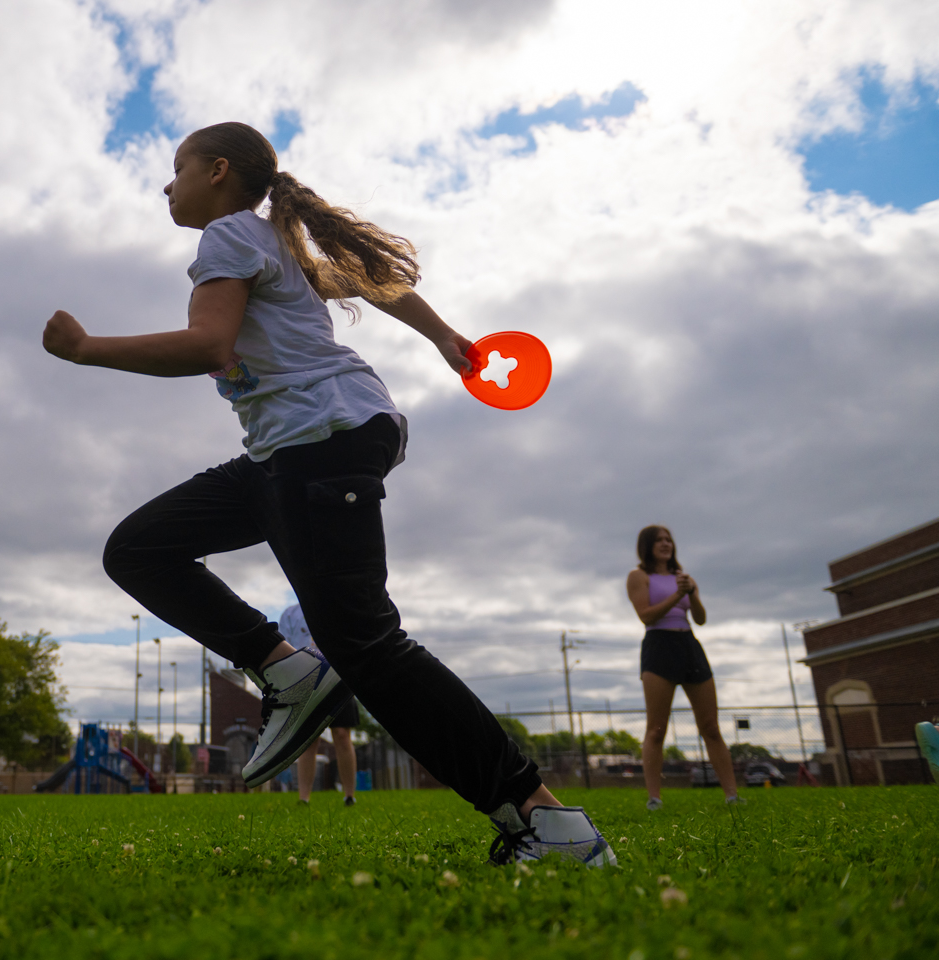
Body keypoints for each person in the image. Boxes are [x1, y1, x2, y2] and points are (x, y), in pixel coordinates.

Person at [43, 121, 614, 867]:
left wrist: (87, 352)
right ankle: (286, 668)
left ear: (217, 172)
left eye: (175, 167)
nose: (165, 183)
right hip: (297, 448)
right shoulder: (275, 244)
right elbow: (379, 284)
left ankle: (546, 822)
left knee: (367, 645)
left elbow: (210, 346)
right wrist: (447, 340)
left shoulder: (228, 237)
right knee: (141, 548)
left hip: (322, 438)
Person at [627, 524, 741, 809]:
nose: (666, 544)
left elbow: (700, 618)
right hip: (658, 647)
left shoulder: (683, 577)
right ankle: (654, 798)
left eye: (669, 539)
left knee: (710, 727)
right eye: (659, 540)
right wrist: (678, 596)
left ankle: (732, 796)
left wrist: (692, 594)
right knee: (656, 729)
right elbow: (645, 616)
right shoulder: (639, 576)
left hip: (689, 645)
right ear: (647, 546)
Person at [277, 603, 358, 805]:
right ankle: (304, 798)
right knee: (309, 738)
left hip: (338, 675)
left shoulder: (335, 606)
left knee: (341, 734)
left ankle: (349, 795)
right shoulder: (290, 614)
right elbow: (283, 647)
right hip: (305, 680)